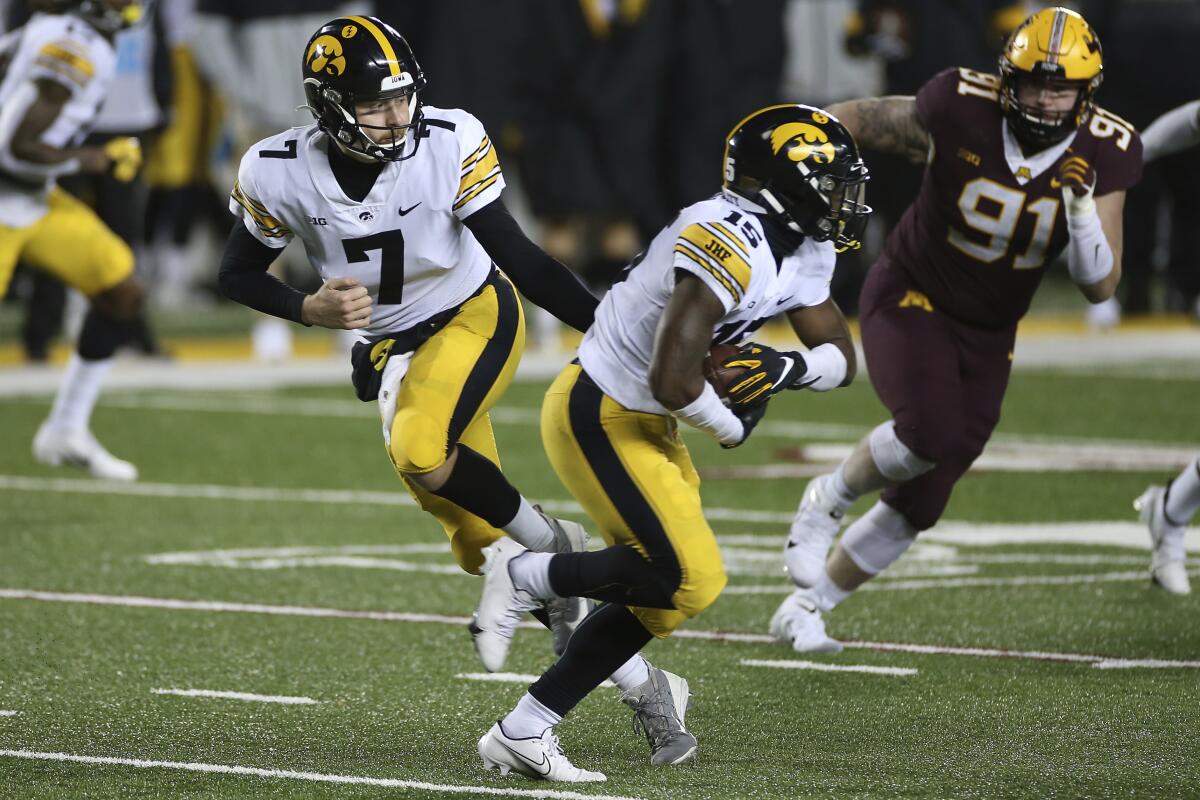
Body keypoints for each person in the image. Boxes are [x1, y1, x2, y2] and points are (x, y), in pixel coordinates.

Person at [216, 14, 686, 760]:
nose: (396, 116)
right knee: (484, 550)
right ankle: (644, 684)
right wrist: (306, 308)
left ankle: (544, 545)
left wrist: (609, 331)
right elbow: (235, 273)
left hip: (472, 314)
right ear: (329, 107)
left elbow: (521, 258)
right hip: (392, 350)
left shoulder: (449, 138)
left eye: (402, 97)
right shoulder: (275, 168)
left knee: (421, 446)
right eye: (374, 105)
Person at [472, 104, 864, 781]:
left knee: (687, 586)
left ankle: (526, 728)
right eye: (827, 185)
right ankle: (528, 575)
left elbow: (839, 355)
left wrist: (784, 367)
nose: (842, 203)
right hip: (601, 409)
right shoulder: (726, 237)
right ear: (780, 187)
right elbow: (673, 376)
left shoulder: (804, 247)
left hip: (645, 419)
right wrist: (734, 423)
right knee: (674, 571)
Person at [773, 6, 1142, 652]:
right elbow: (860, 120)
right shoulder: (958, 105)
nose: (1048, 100)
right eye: (1034, 83)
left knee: (926, 497)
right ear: (1007, 79)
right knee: (927, 430)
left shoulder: (1105, 149)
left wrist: (1081, 216)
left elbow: (1099, 284)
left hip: (992, 328)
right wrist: (797, 151)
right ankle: (827, 498)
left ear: (1087, 92)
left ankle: (808, 605)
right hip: (913, 292)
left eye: (1062, 88)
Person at [0, 0, 148, 480]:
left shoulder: (47, 27)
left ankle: (66, 429)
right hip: (7, 198)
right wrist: (96, 160)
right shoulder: (76, 48)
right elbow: (18, 147)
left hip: (36, 200)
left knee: (120, 290)